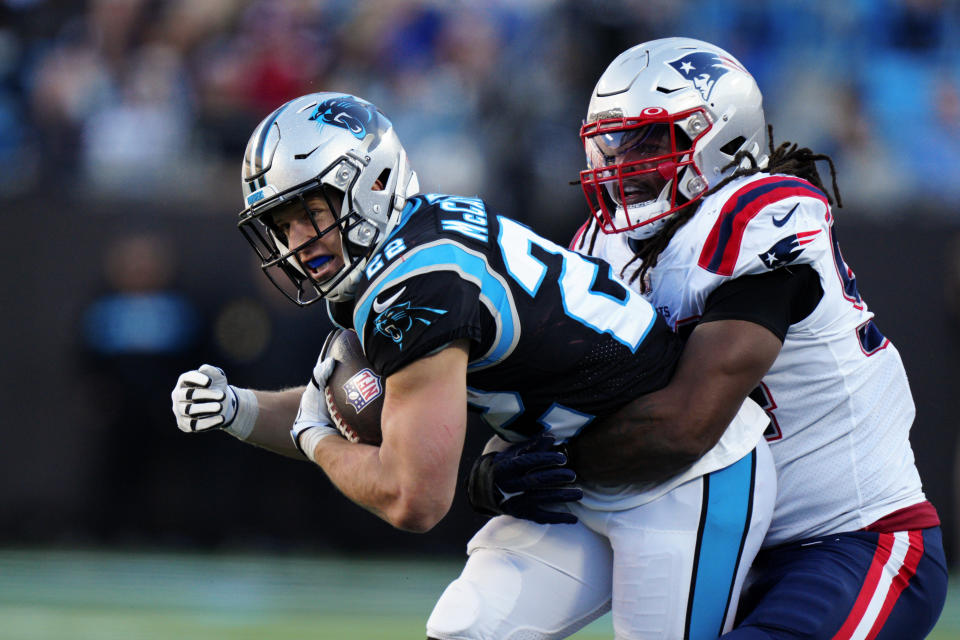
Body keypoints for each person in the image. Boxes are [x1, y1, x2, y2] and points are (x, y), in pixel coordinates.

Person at [170, 91, 776, 639]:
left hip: (687, 478)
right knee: (465, 631)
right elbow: (331, 405)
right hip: (575, 481)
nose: (296, 241)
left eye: (311, 212)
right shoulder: (410, 243)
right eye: (281, 224)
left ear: (370, 183)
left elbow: (413, 499)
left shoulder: (417, 290)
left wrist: (315, 441)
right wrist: (236, 409)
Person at [470, 37, 948, 639]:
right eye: (609, 142)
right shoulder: (602, 242)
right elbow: (553, 392)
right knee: (475, 621)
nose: (621, 162)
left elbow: (683, 425)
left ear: (720, 137)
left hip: (849, 538)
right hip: (696, 526)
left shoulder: (761, 218)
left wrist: (550, 467)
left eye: (649, 140)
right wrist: (498, 461)